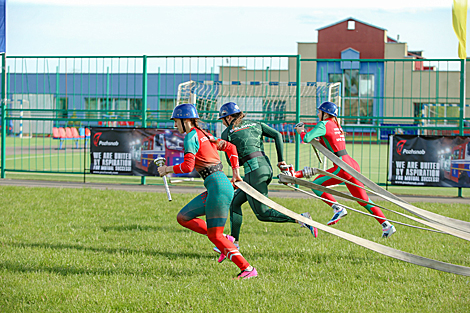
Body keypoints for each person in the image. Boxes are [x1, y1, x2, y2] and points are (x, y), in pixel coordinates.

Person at [157, 103, 257, 279]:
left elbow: (188, 166)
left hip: (218, 188)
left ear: (185, 120)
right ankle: (226, 239)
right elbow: (231, 148)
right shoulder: (206, 134)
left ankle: (248, 269)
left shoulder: (190, 137)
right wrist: (235, 174)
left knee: (215, 236)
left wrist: (167, 169)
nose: (174, 126)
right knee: (183, 217)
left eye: (176, 121)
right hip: (218, 187)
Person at [214, 102, 317, 260]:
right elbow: (278, 135)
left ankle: (302, 218)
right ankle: (234, 243)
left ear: (229, 117)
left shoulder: (227, 133)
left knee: (262, 214)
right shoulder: (256, 123)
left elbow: (232, 162)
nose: (222, 122)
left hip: (253, 172)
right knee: (234, 202)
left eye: (223, 118)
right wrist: (281, 160)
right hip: (266, 168)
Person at [294, 101, 396, 238]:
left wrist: (301, 131)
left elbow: (306, 138)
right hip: (351, 163)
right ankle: (387, 226)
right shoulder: (336, 125)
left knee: (316, 185)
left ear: (325, 113)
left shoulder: (323, 124)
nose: (317, 114)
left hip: (342, 166)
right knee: (364, 199)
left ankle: (338, 208)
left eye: (319, 111)